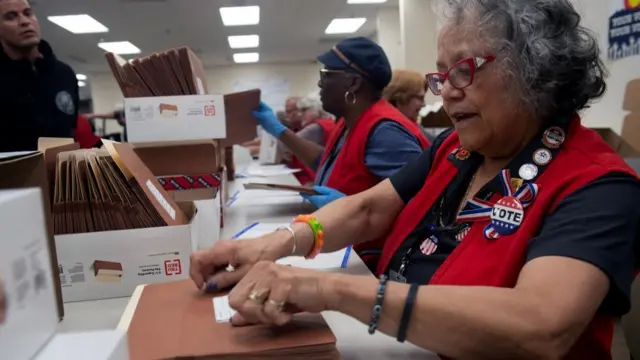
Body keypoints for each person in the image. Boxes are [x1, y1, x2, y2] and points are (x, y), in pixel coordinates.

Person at [190, 1, 640, 359]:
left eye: (464, 70)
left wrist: (329, 289)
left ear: (536, 70)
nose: (445, 90)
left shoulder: (599, 186)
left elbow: (540, 325)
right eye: (441, 75)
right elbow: (369, 208)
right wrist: (272, 243)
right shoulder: (456, 148)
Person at [252, 37, 429, 269]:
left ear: (353, 82)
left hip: (377, 265)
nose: (319, 84)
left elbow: (424, 206)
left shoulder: (385, 131)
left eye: (326, 75)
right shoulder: (350, 122)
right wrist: (278, 129)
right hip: (347, 249)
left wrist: (354, 210)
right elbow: (327, 162)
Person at [0, 0, 79, 152]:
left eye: (28, 13)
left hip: (61, 173)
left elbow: (70, 130)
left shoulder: (64, 74)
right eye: (11, 17)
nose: (24, 21)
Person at [284, 95, 336, 184]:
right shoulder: (330, 122)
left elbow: (286, 144)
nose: (300, 114)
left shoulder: (315, 127)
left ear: (317, 109)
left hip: (314, 178)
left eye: (304, 110)